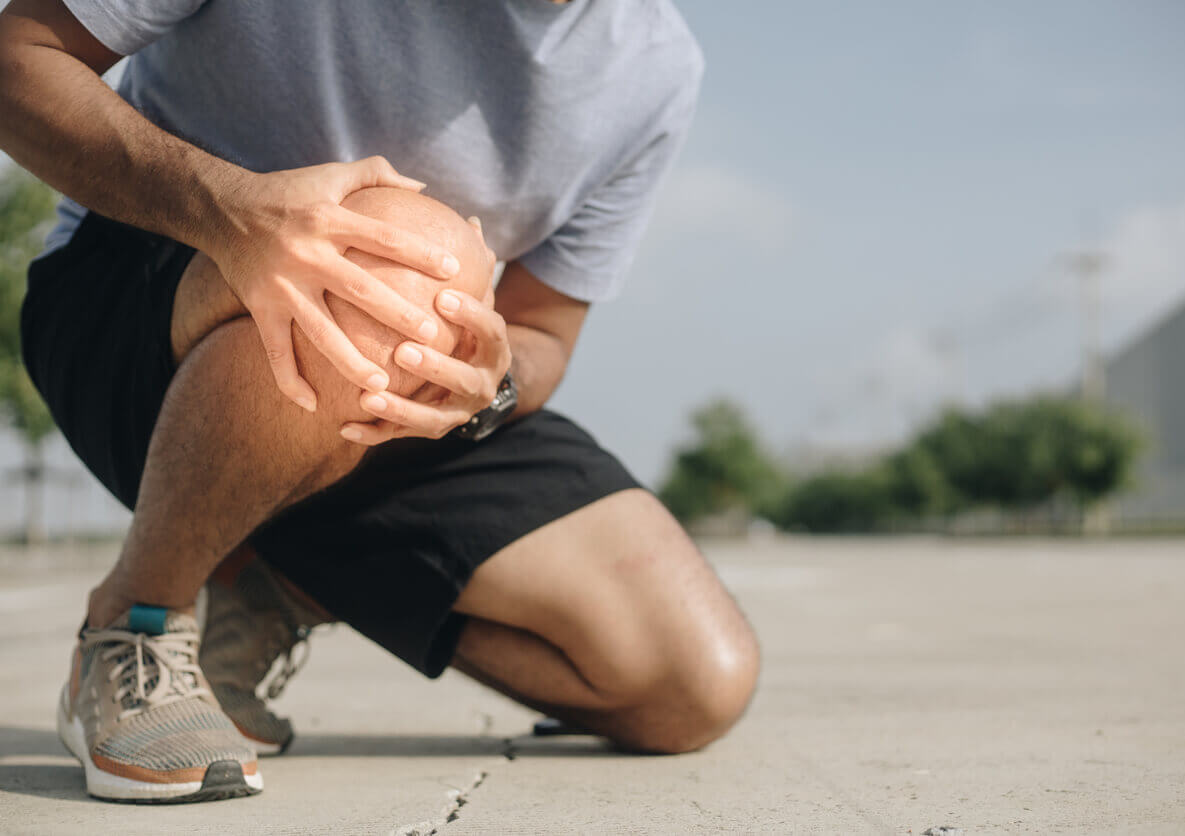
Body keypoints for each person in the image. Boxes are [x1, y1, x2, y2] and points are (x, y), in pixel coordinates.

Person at [0, 0, 761, 805]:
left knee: (689, 681)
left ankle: (270, 587)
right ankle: (137, 623)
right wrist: (234, 213)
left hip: (391, 395)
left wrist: (489, 385)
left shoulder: (656, 68)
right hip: (143, 311)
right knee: (390, 266)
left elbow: (541, 333)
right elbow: (20, 60)